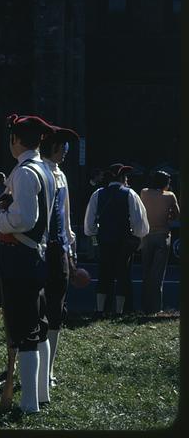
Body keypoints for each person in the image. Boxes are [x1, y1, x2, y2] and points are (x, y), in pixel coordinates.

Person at [0, 114, 56, 413]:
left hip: (22, 257)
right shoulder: (46, 169)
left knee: (25, 331)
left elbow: (24, 220)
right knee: (36, 327)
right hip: (34, 255)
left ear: (15, 139)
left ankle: (28, 404)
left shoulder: (25, 172)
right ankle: (39, 395)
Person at [40, 125, 79, 386]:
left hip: (59, 251)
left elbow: (65, 217)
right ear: (53, 147)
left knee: (56, 311)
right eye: (63, 147)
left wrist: (70, 246)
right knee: (35, 312)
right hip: (38, 250)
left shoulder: (61, 175)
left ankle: (49, 369)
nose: (65, 152)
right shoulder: (35, 172)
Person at [83, 163, 149, 315]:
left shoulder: (98, 194)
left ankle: (100, 310)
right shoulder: (130, 194)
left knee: (103, 273)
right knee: (122, 275)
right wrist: (138, 236)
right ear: (122, 177)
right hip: (124, 241)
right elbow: (139, 222)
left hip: (104, 240)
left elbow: (89, 224)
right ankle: (119, 311)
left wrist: (95, 237)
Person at [139, 171, 178, 314]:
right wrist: (168, 214)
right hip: (162, 235)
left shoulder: (144, 192)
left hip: (147, 236)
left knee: (146, 273)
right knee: (158, 275)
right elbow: (176, 214)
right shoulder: (170, 196)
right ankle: (155, 308)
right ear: (165, 183)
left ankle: (144, 306)